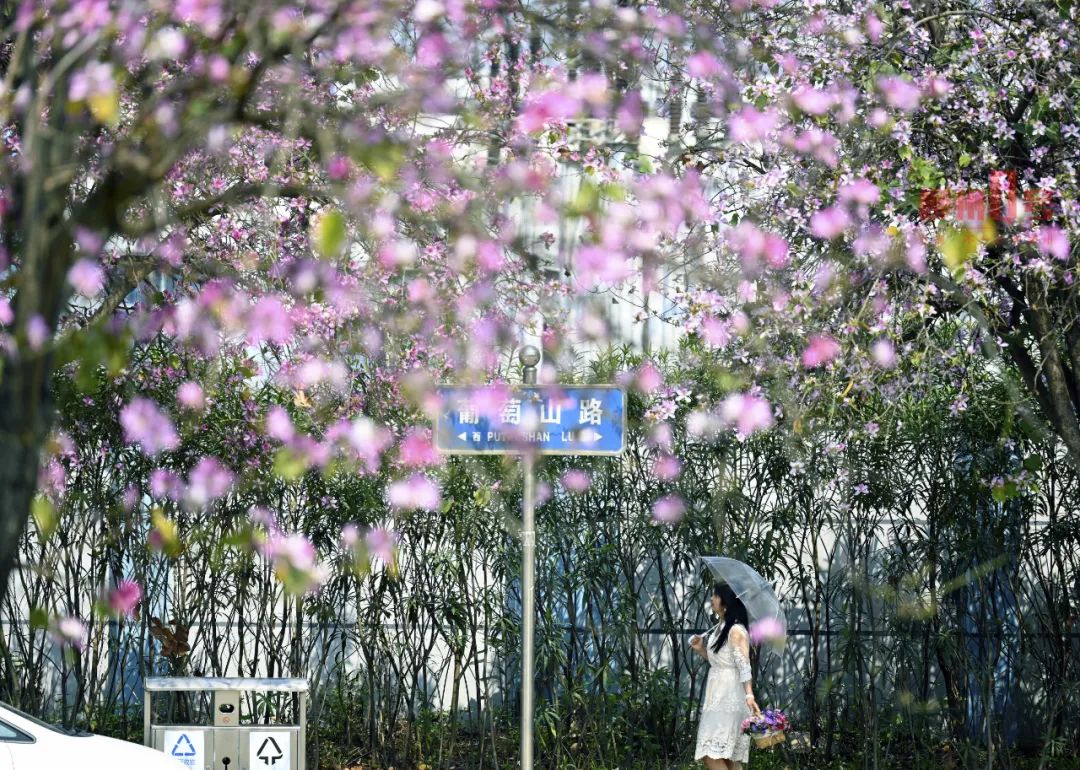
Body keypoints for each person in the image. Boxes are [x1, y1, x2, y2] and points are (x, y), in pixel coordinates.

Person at [689, 582, 761, 769]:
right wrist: (701, 650)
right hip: (717, 695)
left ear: (726, 603)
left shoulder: (736, 630)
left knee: (710, 753)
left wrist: (749, 694)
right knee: (727, 757)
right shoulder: (720, 627)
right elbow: (720, 662)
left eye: (716, 596)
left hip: (729, 697)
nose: (712, 599)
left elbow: (744, 666)